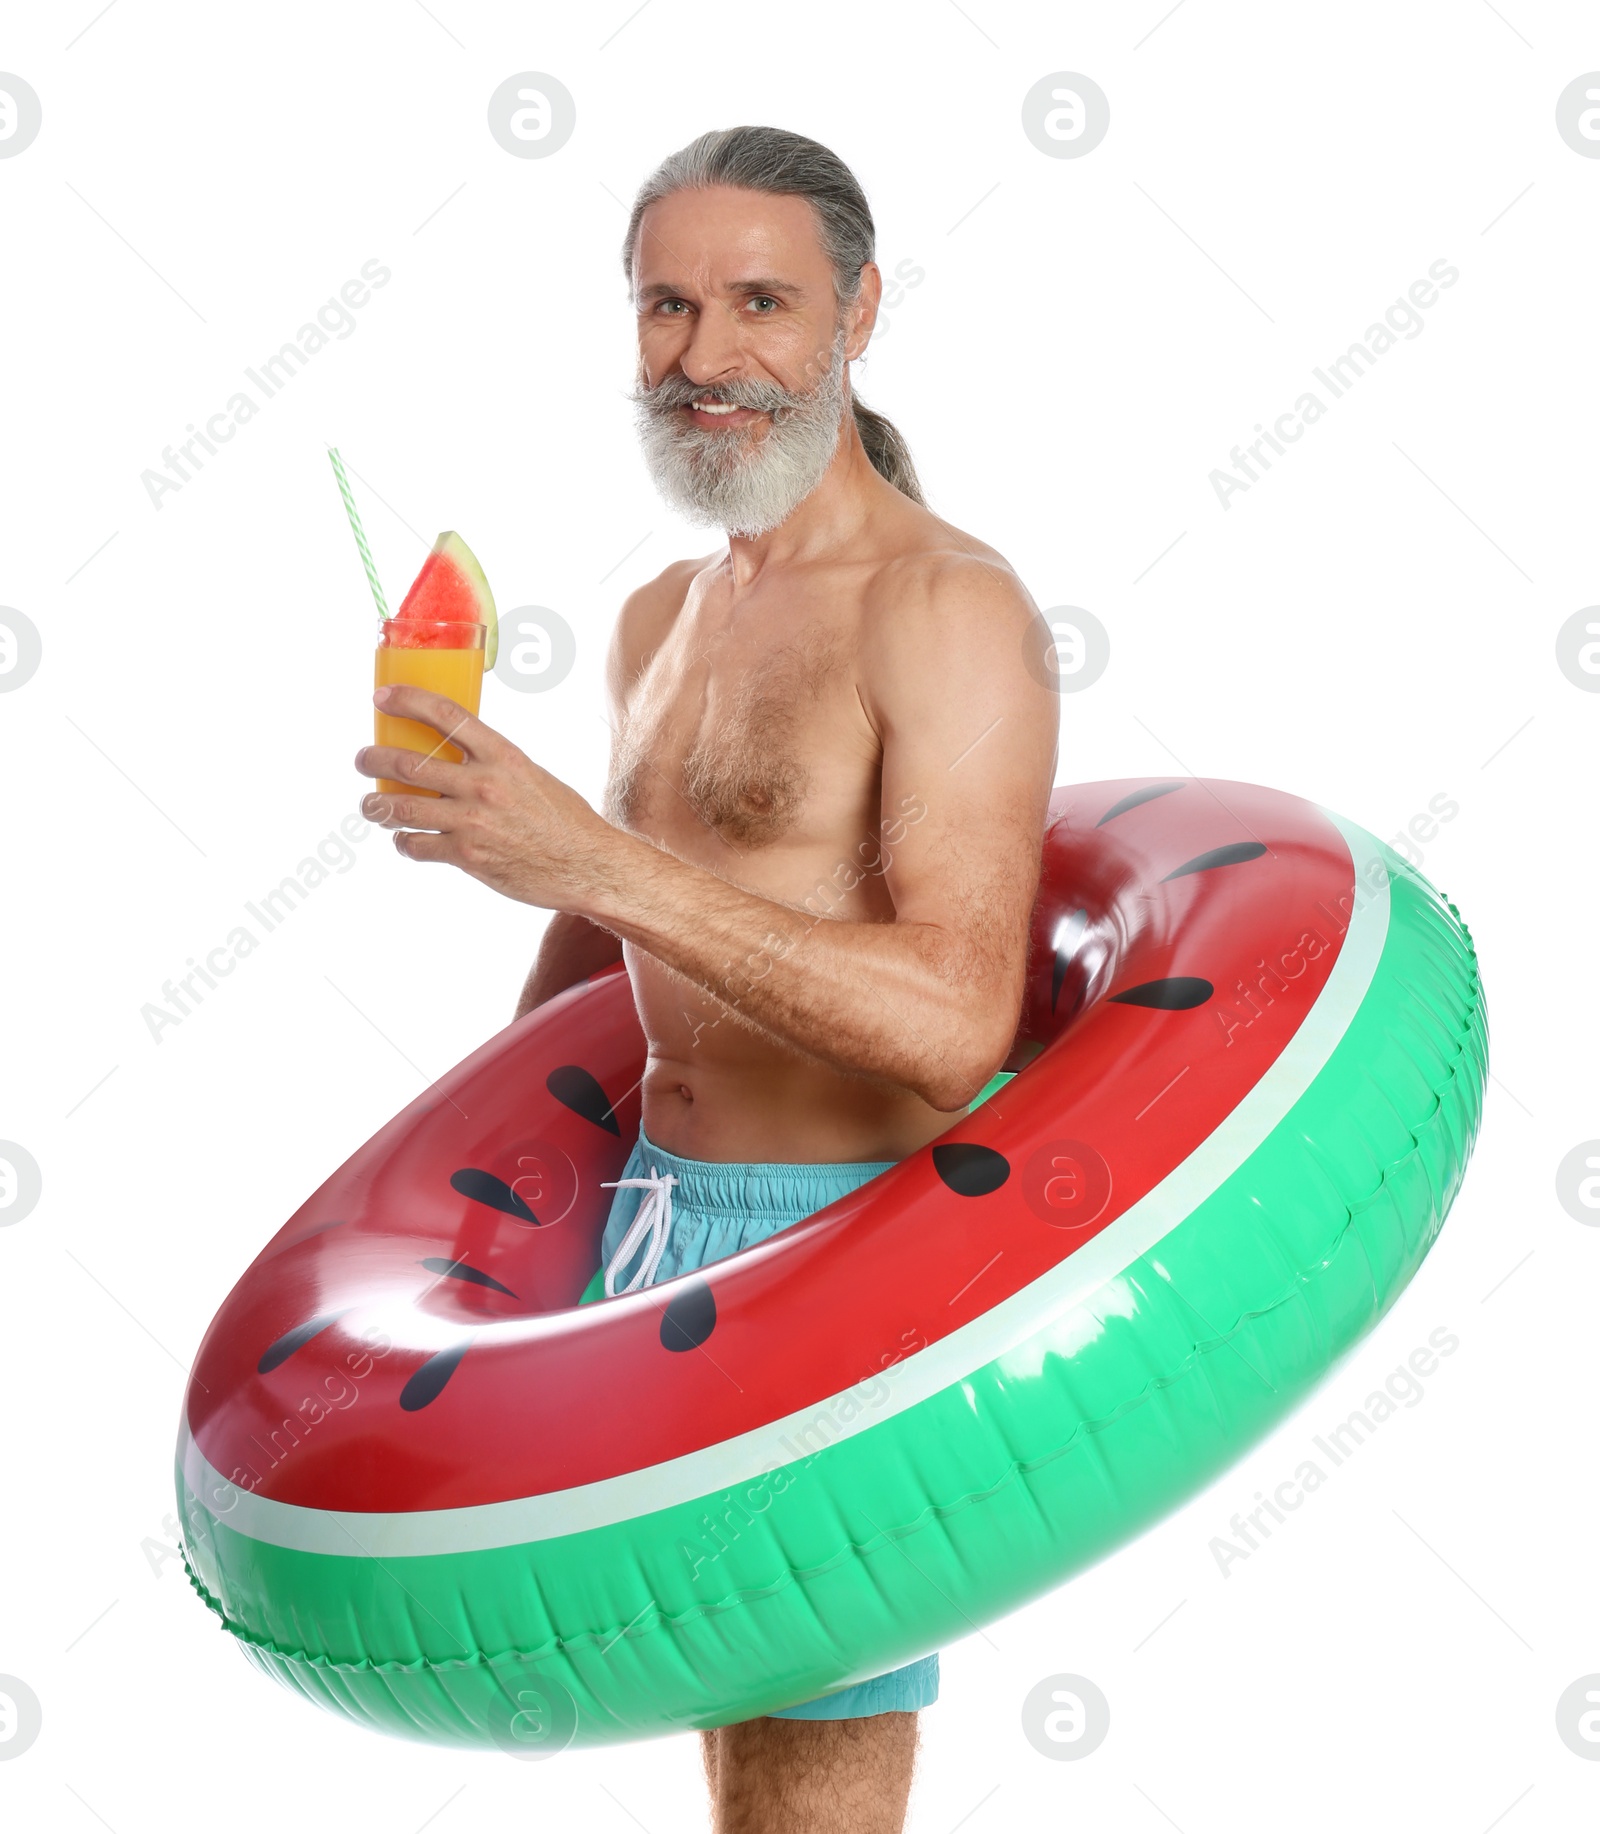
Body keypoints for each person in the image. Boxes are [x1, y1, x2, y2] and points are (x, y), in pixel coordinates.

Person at [357, 124, 1058, 1834]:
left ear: (860, 310)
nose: (705, 356)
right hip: (645, 1225)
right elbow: (618, 930)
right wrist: (486, 1197)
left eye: (762, 300)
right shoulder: (661, 614)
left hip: (846, 1244)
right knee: (726, 1787)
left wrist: (588, 856)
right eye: (666, 307)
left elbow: (961, 1023)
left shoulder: (948, 610)